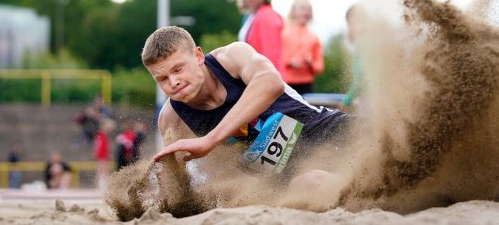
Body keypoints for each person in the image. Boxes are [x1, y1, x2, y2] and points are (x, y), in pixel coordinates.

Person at [144, 26, 352, 182]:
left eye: (178, 69)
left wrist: (210, 140)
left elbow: (271, 82)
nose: (173, 82)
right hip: (290, 175)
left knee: (379, 137)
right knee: (312, 183)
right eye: (162, 79)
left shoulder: (231, 57)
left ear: (198, 56)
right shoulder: (172, 118)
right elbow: (178, 183)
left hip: (325, 129)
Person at [238, 0, 286, 79]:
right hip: (254, 74)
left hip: (266, 78)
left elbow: (271, 54)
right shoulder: (249, 16)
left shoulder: (267, 15)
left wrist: (267, 81)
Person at [282, 0, 324, 95]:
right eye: (302, 8)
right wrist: (290, 62)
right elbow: (273, 58)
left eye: (309, 9)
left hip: (307, 85)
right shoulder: (282, 33)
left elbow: (320, 66)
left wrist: (311, 63)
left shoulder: (314, 38)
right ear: (293, 11)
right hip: (285, 84)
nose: (306, 12)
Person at [340, 5, 367, 111]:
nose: (351, 27)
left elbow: (361, 78)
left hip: (371, 100)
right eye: (350, 23)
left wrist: (347, 100)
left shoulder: (363, 45)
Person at [94, 119, 115, 189]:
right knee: (103, 172)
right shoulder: (101, 135)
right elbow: (100, 147)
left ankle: (101, 186)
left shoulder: (102, 135)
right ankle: (102, 187)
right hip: (102, 156)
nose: (110, 130)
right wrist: (102, 156)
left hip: (103, 156)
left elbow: (100, 147)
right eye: (110, 128)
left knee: (103, 172)